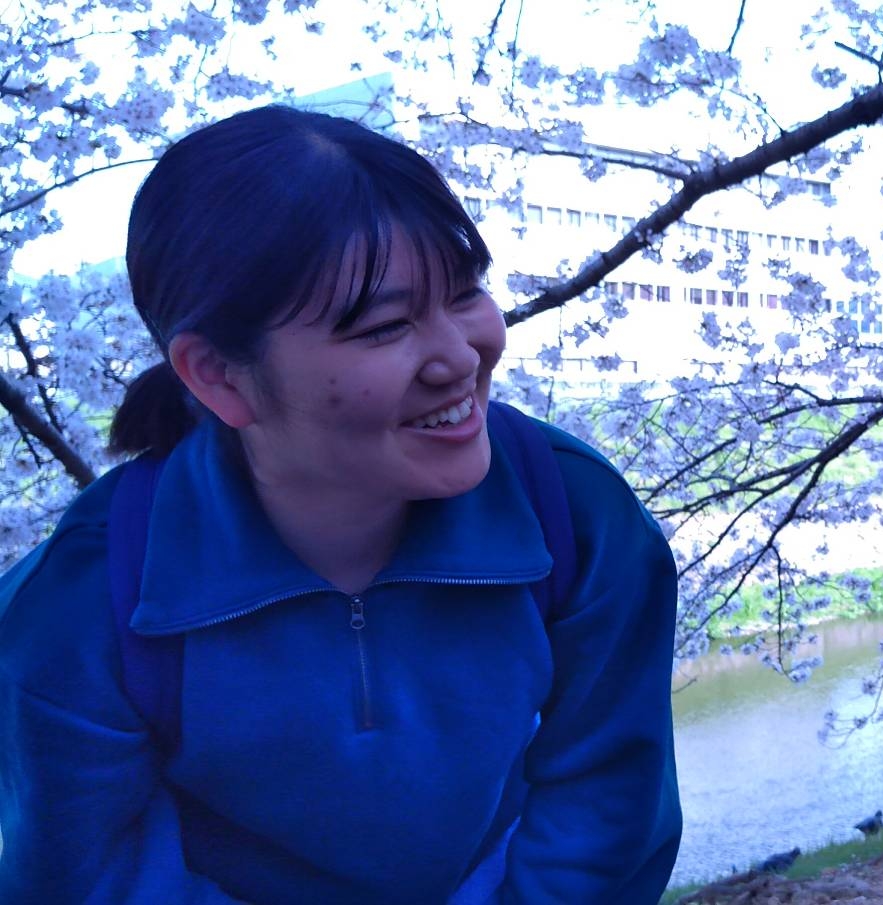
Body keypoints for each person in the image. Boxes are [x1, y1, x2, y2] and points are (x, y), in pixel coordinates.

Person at [0, 106, 682, 903]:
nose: (461, 358)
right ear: (217, 374)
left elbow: (602, 818)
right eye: (387, 326)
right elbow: (94, 880)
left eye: (464, 295)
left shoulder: (576, 516)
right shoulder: (85, 603)